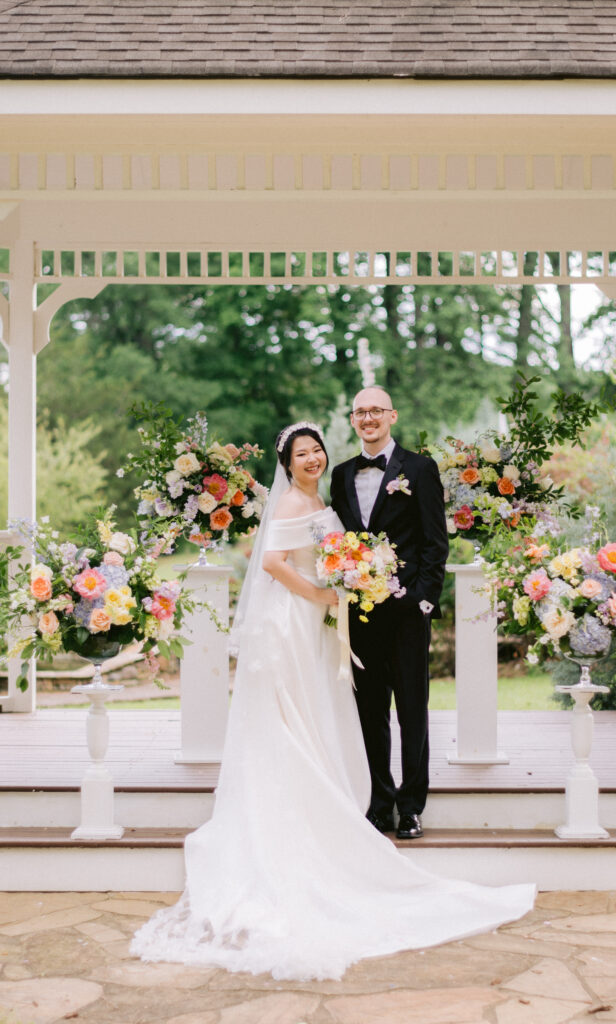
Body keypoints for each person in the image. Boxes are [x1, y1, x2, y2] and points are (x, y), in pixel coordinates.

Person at [131, 421, 535, 982]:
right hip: (296, 620)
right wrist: (325, 592)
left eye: (316, 449)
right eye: (302, 453)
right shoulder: (298, 498)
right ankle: (332, 808)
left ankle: (401, 805)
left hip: (333, 620)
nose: (313, 458)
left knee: (346, 708)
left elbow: (406, 541)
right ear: (287, 462)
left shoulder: (331, 494)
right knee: (301, 714)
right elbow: (273, 562)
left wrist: (360, 586)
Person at [330, 387, 448, 840]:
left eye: (376, 411)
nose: (368, 418)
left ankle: (412, 806)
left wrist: (422, 600)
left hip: (407, 614)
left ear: (392, 416)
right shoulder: (341, 474)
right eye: (360, 412)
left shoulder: (419, 468)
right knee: (369, 711)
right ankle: (379, 804)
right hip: (359, 615)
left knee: (412, 711)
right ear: (353, 419)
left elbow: (435, 541)